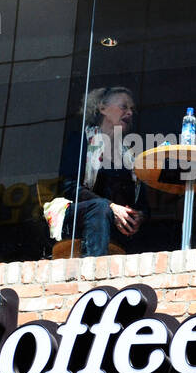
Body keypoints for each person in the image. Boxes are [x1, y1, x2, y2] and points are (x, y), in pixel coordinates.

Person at [53, 85, 149, 257]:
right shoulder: (81, 140)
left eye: (132, 109)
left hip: (119, 227)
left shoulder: (131, 156)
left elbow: (143, 203)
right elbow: (69, 188)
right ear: (102, 108)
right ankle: (93, 272)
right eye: (124, 106)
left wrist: (137, 216)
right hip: (81, 218)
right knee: (100, 207)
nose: (130, 113)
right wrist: (111, 207)